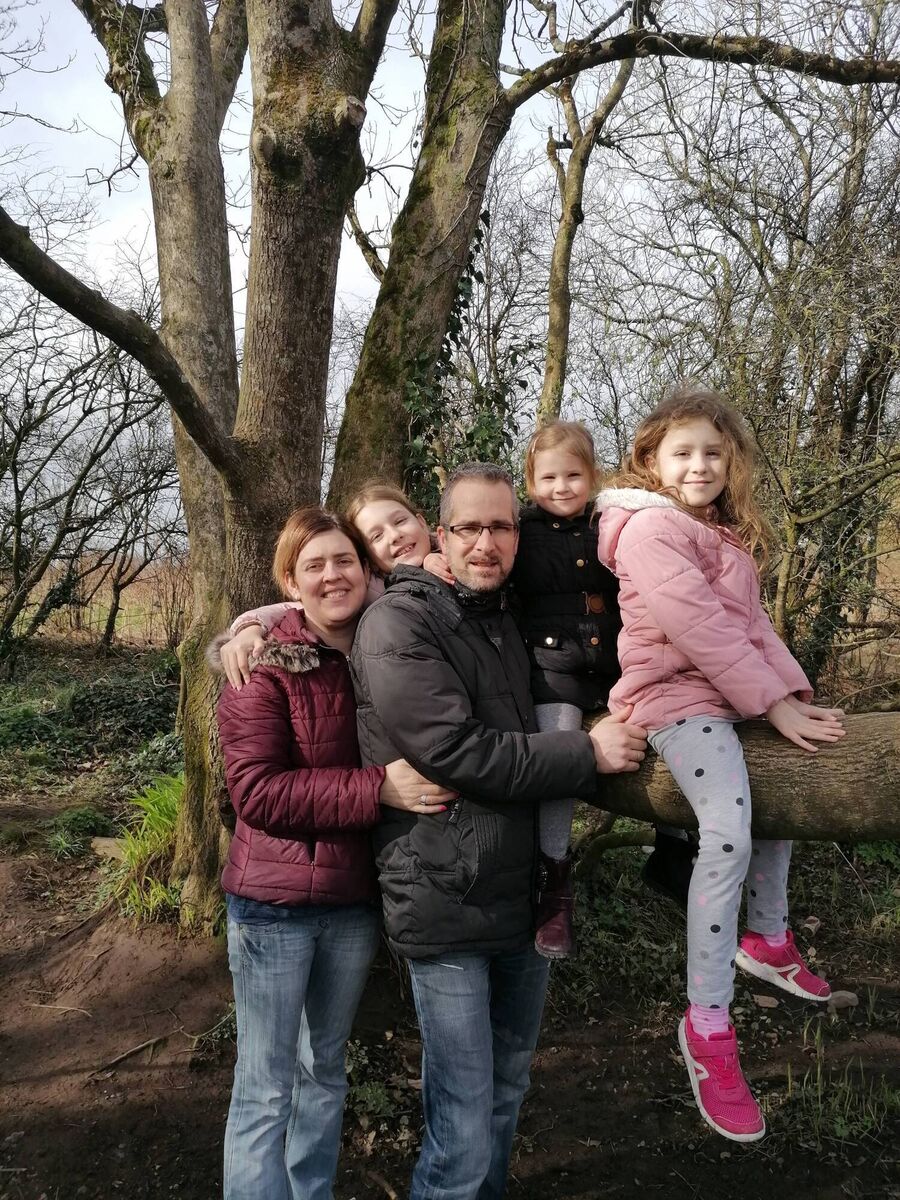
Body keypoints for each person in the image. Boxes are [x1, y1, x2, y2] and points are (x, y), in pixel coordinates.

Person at [350, 462, 647, 1200]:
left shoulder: (506, 611)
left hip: (524, 898)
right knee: (460, 1124)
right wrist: (586, 753)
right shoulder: (398, 621)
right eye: (471, 527)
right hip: (446, 899)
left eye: (502, 526)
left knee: (507, 1091)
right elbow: (455, 751)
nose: (487, 542)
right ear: (440, 536)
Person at [596, 387, 845, 1143]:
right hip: (675, 698)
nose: (699, 464)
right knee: (729, 833)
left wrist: (792, 695)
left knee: (790, 796)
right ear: (651, 461)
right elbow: (698, 630)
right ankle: (707, 1025)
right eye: (682, 453)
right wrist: (772, 705)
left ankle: (767, 939)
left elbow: (754, 628)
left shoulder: (722, 535)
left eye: (712, 452)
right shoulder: (647, 530)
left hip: (734, 694)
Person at [211, 506, 455, 1200]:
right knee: (265, 1085)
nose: (331, 574)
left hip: (351, 904)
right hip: (271, 909)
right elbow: (257, 793)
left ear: (365, 567)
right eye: (312, 565)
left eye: (343, 559)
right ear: (291, 582)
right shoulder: (262, 660)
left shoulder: (388, 646)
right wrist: (379, 789)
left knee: (323, 1073)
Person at [513, 420, 622, 957]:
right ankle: (553, 881)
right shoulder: (519, 529)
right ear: (530, 481)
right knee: (558, 752)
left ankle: (678, 850)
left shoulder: (615, 522)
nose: (561, 487)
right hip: (551, 669)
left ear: (592, 475)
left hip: (617, 667)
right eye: (548, 476)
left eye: (573, 475)